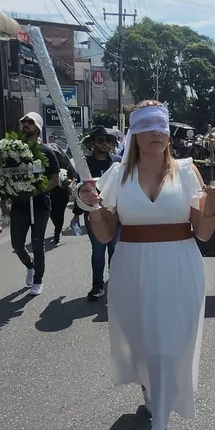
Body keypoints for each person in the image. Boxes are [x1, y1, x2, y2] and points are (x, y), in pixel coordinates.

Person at [78, 100, 215, 430]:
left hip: (180, 268)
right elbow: (105, 234)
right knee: (143, 346)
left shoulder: (187, 172)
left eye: (161, 126)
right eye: (146, 126)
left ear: (169, 132)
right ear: (134, 133)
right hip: (132, 270)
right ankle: (151, 389)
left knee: (167, 348)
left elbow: (203, 233)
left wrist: (210, 205)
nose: (156, 133)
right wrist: (93, 209)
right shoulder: (116, 175)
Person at [11, 112, 61, 296]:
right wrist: (4, 199)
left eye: (30, 122)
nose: (25, 124)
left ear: (38, 128)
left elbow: (55, 179)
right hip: (19, 205)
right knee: (17, 244)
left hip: (39, 205)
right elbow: (4, 176)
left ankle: (38, 279)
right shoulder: (12, 150)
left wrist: (37, 190)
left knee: (37, 243)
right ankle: (30, 266)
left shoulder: (46, 151)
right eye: (23, 121)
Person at [83, 127, 122, 301]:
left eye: (109, 140)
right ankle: (97, 286)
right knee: (98, 251)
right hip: (94, 213)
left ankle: (115, 283)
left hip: (116, 214)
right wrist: (76, 213)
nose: (105, 144)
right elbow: (80, 190)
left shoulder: (118, 162)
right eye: (101, 140)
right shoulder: (85, 164)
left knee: (115, 250)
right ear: (93, 143)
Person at [49, 145, 78, 245]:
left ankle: (57, 232)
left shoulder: (66, 164)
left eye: (55, 153)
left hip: (62, 192)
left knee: (60, 212)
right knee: (52, 213)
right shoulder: (47, 164)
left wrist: (70, 185)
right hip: (50, 191)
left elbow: (74, 177)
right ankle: (57, 226)